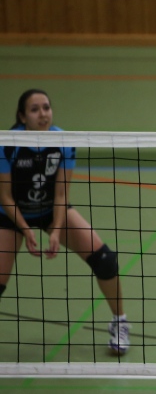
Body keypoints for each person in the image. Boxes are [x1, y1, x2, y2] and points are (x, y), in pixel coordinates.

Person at [0, 89, 130, 354]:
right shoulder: (7, 144)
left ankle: (120, 322)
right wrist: (25, 230)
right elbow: (5, 196)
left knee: (105, 260)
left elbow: (61, 194)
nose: (43, 114)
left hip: (50, 209)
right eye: (34, 109)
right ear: (22, 116)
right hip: (11, 214)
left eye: (46, 107)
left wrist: (56, 231)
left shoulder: (63, 141)